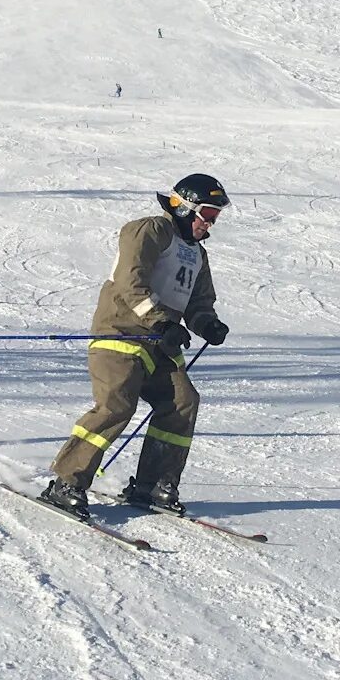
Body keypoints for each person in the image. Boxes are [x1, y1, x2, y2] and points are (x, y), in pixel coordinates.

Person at [41, 173, 232, 519]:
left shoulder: (196, 255)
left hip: (159, 343)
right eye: (208, 214)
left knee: (182, 402)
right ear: (186, 208)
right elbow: (133, 282)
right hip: (122, 334)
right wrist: (160, 321)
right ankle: (66, 482)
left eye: (215, 217)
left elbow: (199, 303)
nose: (210, 224)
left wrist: (208, 323)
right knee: (117, 404)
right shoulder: (150, 231)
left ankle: (153, 483)